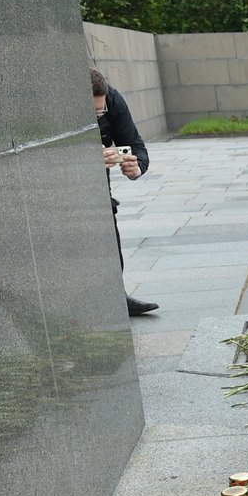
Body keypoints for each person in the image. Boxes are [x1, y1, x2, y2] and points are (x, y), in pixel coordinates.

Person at [93, 69, 156, 317]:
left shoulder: (112, 100)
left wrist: (135, 166)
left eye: (101, 112)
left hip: (101, 173)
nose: (99, 115)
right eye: (93, 112)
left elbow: (135, 144)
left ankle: (116, 295)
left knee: (107, 217)